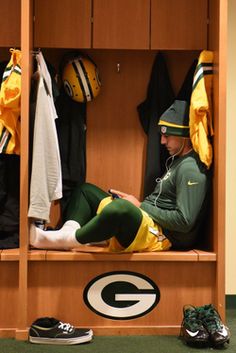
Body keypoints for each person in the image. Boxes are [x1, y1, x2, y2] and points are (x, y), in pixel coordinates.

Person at [30, 100, 211, 252]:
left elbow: (184, 221)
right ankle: (67, 233)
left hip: (162, 236)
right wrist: (139, 206)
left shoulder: (191, 168)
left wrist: (139, 206)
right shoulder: (178, 160)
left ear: (184, 135)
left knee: (120, 209)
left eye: (167, 135)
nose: (162, 141)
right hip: (149, 222)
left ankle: (66, 240)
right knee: (85, 191)